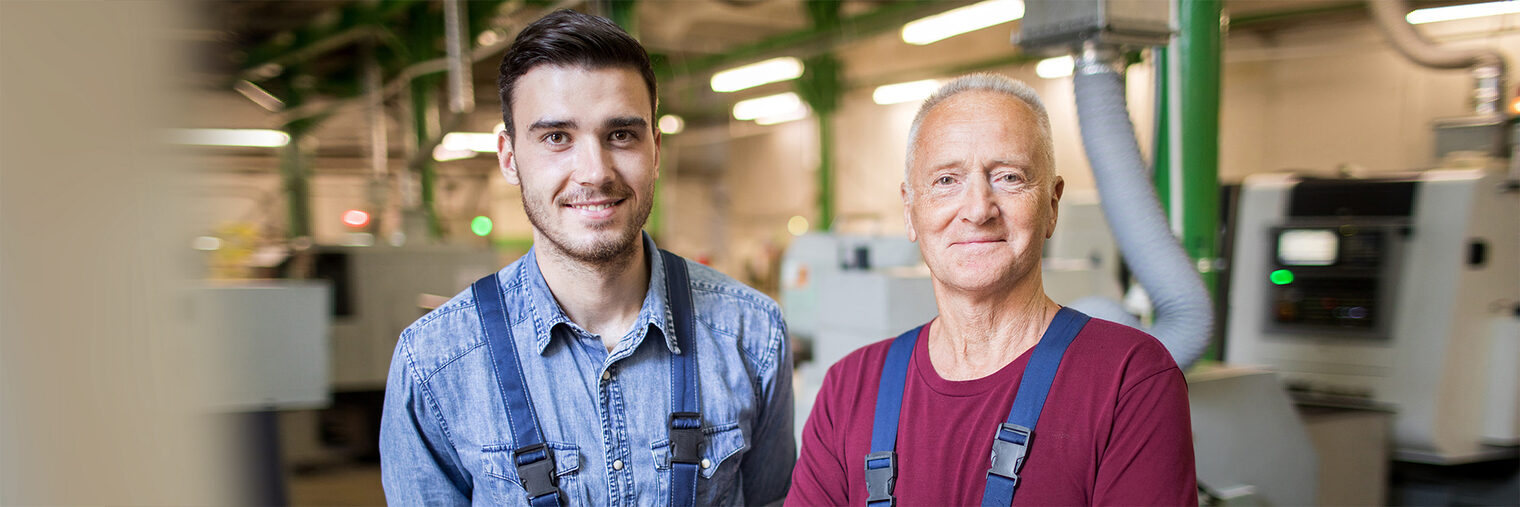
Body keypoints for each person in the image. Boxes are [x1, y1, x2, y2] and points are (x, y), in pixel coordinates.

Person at [380, 10, 794, 505]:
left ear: (656, 151)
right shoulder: (434, 363)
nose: (594, 172)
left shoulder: (751, 334)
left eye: (621, 134)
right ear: (509, 157)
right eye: (557, 137)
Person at [786, 73, 1195, 506]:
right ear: (910, 210)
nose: (979, 209)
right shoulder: (848, 389)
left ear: (1052, 206)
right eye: (946, 180)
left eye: (1009, 177)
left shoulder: (1130, 380)